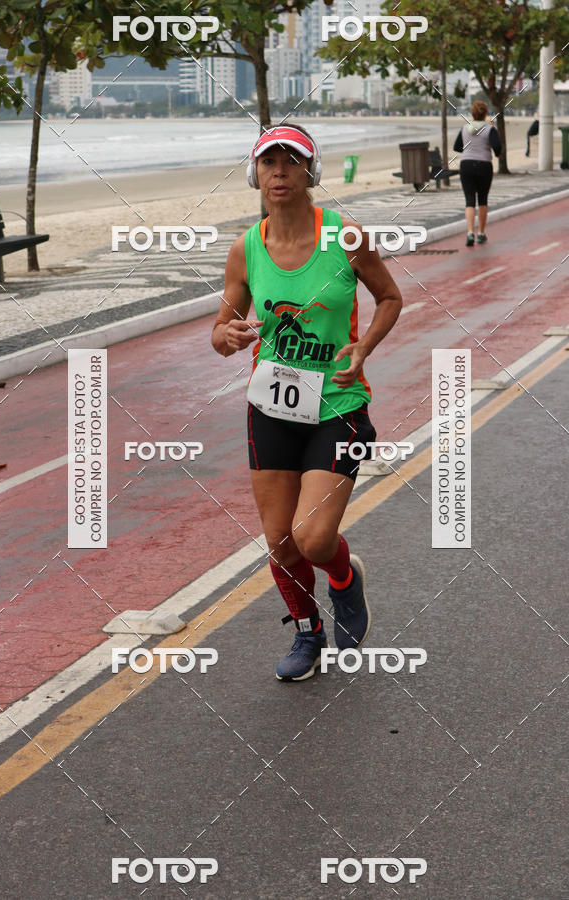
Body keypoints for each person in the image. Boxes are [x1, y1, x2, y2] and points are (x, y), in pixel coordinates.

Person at [211, 124, 403, 681]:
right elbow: (220, 331)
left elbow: (390, 298)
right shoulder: (246, 248)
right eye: (268, 162)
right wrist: (227, 336)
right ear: (255, 174)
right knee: (280, 541)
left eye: (291, 161)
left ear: (310, 171)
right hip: (270, 407)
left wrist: (363, 347)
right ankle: (307, 632)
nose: (279, 172)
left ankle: (344, 579)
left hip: (338, 403)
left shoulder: (345, 236)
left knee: (313, 538)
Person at [453, 101, 501, 246]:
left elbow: (457, 147)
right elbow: (498, 148)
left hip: (466, 165)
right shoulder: (490, 129)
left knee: (469, 200)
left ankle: (469, 233)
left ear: (472, 113)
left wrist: (470, 148)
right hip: (484, 165)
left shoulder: (464, 128)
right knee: (482, 200)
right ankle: (481, 233)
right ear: (485, 113)